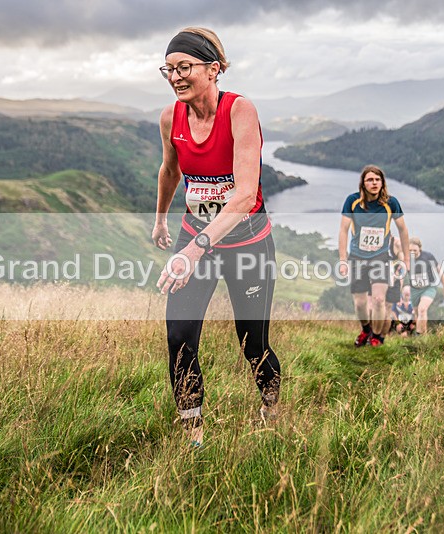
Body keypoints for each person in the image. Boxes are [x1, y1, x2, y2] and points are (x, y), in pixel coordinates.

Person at [152, 27, 281, 447]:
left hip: (246, 243)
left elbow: (244, 195)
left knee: (252, 343)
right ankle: (194, 436)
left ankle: (271, 404)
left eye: (183, 67)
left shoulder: (239, 111)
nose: (175, 77)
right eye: (168, 69)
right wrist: (161, 220)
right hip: (195, 239)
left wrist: (195, 249)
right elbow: (170, 170)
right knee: (179, 336)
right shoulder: (171, 117)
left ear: (213, 69)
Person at [339, 165, 410, 347]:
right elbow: (343, 230)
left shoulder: (391, 203)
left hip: (380, 257)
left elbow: (403, 230)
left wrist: (406, 259)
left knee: (379, 300)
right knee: (360, 303)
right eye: (370, 180)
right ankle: (366, 330)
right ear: (363, 183)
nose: (374, 183)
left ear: (382, 183)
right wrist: (343, 260)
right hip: (357, 256)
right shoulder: (352, 201)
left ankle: (377, 337)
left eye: (378, 179)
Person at [408, 236, 444, 335]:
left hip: (429, 287)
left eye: (415, 250)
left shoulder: (428, 256)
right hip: (414, 289)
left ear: (420, 248)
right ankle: (424, 335)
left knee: (422, 309)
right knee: (418, 314)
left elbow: (440, 272)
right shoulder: (406, 258)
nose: (412, 252)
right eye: (410, 250)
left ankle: (418, 335)